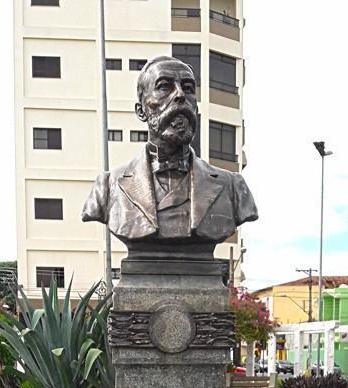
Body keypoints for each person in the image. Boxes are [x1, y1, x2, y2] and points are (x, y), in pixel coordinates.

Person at [82, 56, 258, 246]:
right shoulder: (108, 187)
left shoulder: (232, 187)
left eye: (188, 88)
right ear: (141, 111)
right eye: (165, 86)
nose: (180, 95)